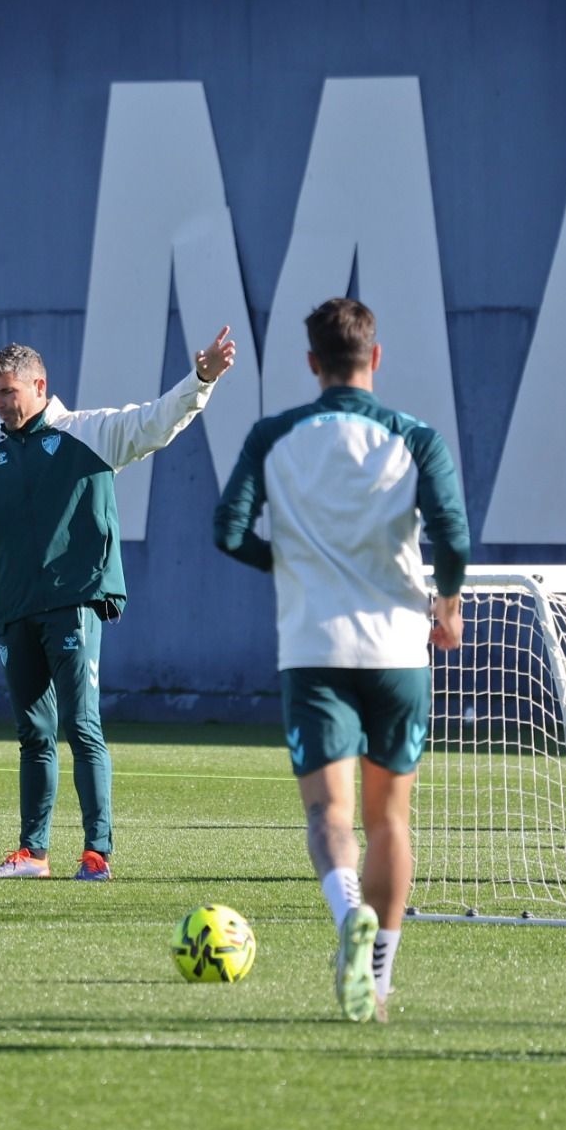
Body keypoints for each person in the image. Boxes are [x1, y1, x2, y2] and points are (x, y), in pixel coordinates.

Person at [214, 297, 470, 1023]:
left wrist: (288, 565)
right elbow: (453, 536)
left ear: (312, 364)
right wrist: (445, 606)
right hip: (397, 647)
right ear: (376, 358)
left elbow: (227, 529)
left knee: (329, 813)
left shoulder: (275, 435)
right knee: (390, 819)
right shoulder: (415, 437)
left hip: (314, 649)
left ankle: (347, 909)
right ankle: (379, 978)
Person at [0, 329, 237, 881]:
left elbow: (157, 420)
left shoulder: (89, 432)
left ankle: (97, 853)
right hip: (14, 606)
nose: (1, 404)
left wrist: (203, 378)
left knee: (81, 725)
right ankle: (33, 853)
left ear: (39, 385)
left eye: (9, 392)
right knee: (33, 732)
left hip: (73, 600)